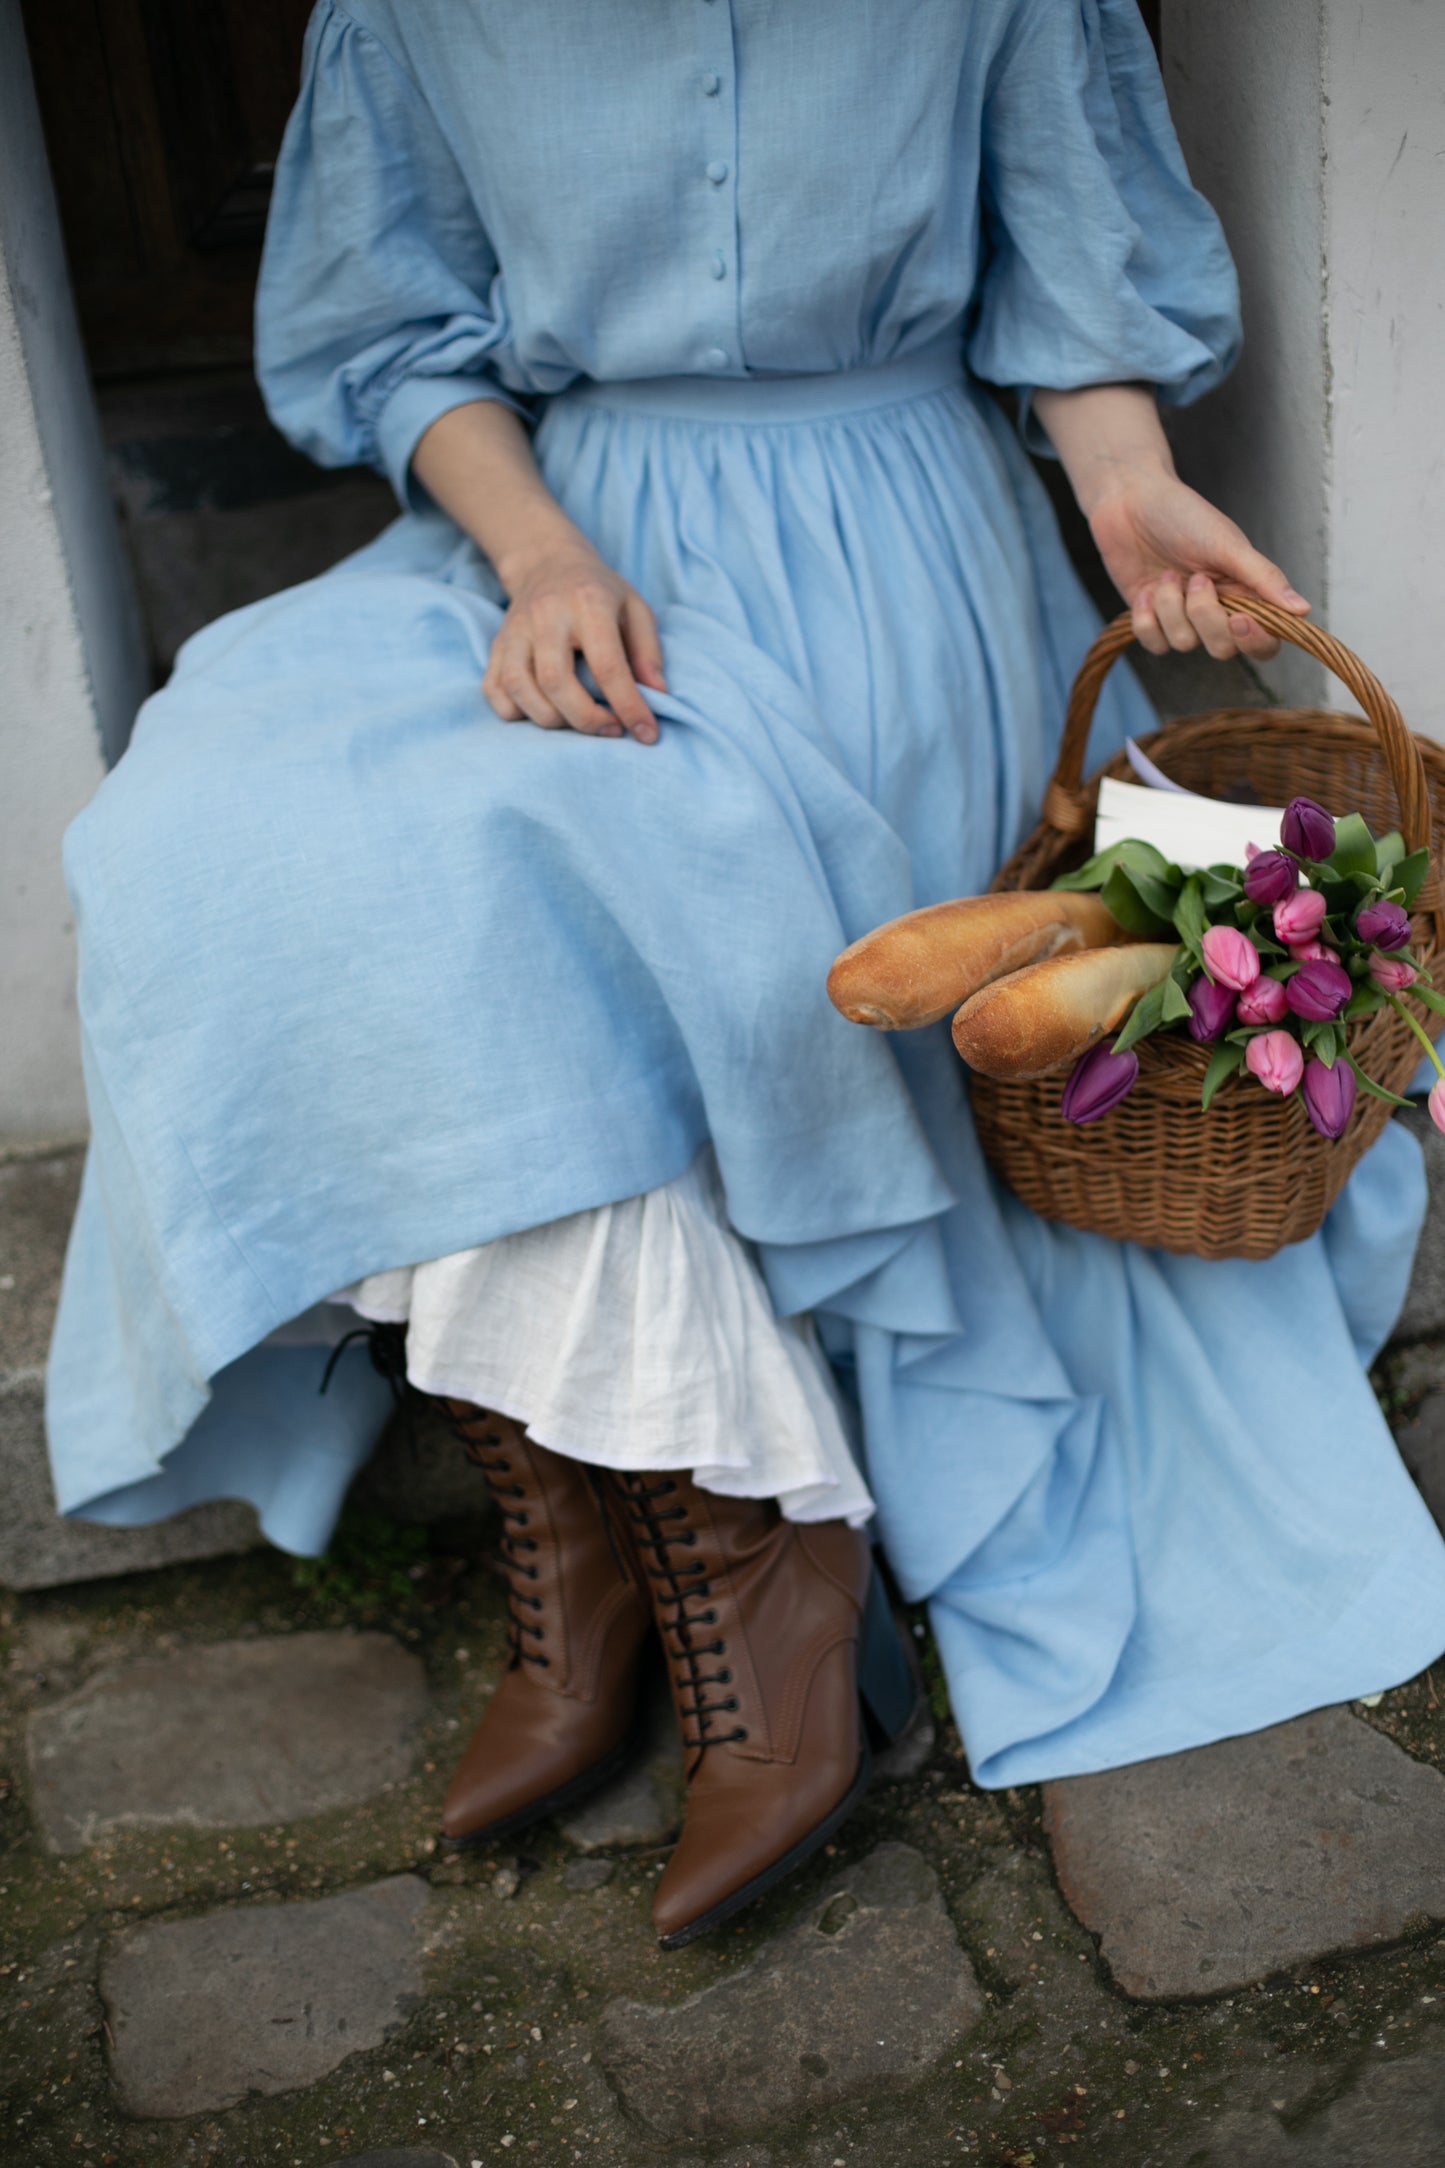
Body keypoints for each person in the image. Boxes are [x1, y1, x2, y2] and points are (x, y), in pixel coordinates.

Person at [47, 0, 1445, 1950]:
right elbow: (396, 334)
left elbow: (1075, 283)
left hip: (905, 558)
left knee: (636, 890)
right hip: (579, 550)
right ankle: (644, 1508)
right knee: (222, 839)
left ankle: (726, 1551)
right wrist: (539, 560)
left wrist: (1122, 492)